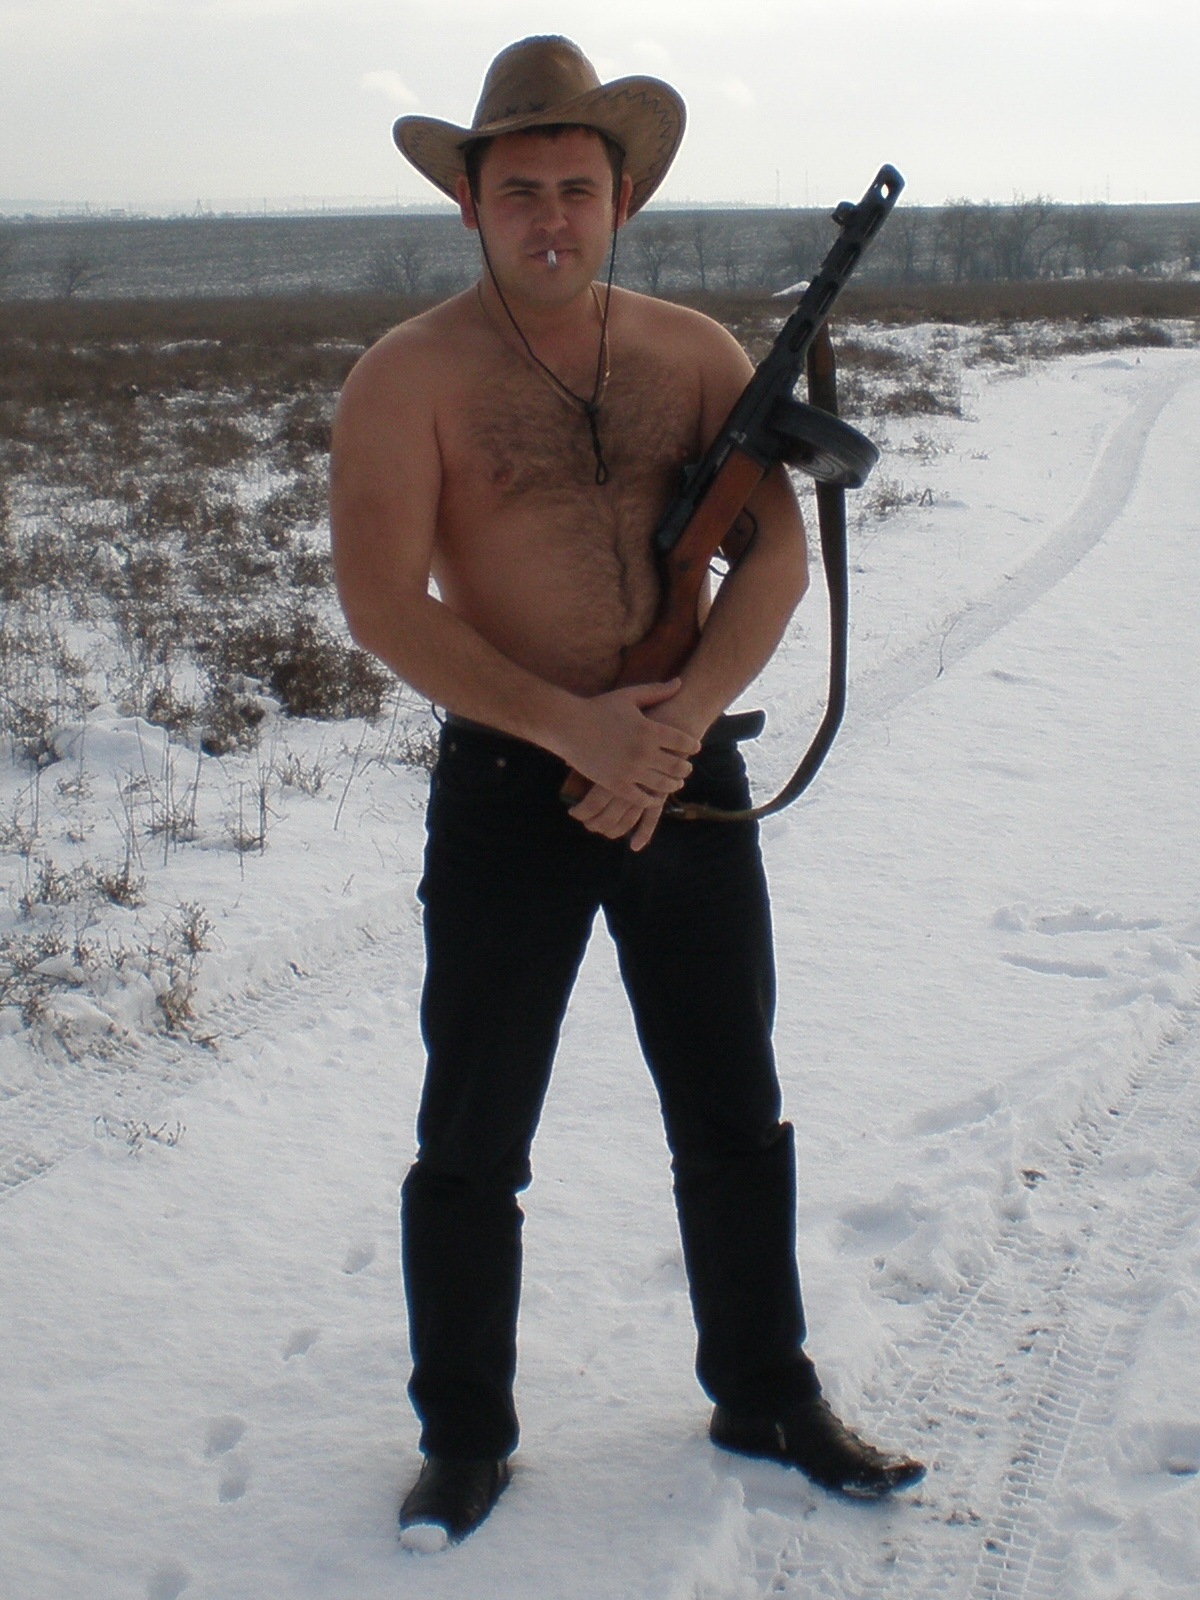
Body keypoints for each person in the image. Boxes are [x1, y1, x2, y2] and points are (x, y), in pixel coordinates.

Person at [330, 35, 923, 1548]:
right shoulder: (406, 377)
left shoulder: (698, 355)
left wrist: (678, 726)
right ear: (469, 202)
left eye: (576, 190)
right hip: (508, 784)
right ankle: (464, 1437)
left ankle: (766, 1393)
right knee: (473, 1133)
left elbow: (773, 556)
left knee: (733, 1105)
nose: (551, 217)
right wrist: (572, 732)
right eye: (519, 190)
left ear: (622, 199)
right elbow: (383, 604)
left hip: (687, 781)